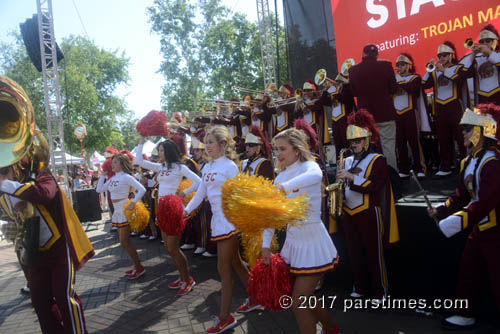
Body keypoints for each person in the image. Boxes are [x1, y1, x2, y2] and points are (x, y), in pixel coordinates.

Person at [0, 75, 94, 334]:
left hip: (58, 248)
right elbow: (11, 224)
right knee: (40, 303)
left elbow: (45, 194)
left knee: (65, 298)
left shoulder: (41, 176)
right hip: (34, 255)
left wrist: (11, 187)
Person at [428, 104, 500, 330]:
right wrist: (440, 210)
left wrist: (454, 221)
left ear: (481, 131)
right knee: (467, 271)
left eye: (468, 129)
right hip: (480, 228)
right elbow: (461, 196)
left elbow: (485, 202)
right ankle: (465, 313)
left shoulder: (494, 162)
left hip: (496, 230)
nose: (463, 133)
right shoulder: (467, 162)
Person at [262, 128, 339, 334]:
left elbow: (315, 176)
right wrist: (264, 245)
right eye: (276, 149)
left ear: (296, 149)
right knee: (305, 298)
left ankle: (331, 328)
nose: (278, 154)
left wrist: (284, 188)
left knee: (299, 301)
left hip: (313, 242)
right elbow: (272, 215)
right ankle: (331, 328)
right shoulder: (280, 178)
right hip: (293, 244)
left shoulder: (309, 167)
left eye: (283, 148)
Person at [184, 125, 260, 333]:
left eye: (210, 142)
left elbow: (238, 196)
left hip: (229, 222)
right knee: (236, 263)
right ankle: (255, 297)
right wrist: (186, 210)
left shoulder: (229, 167)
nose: (206, 146)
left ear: (222, 144)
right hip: (216, 221)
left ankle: (225, 317)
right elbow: (200, 193)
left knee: (223, 270)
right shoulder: (206, 168)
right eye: (205, 142)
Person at [337, 109, 399, 301]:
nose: (354, 144)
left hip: (369, 212)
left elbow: (374, 186)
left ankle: (381, 291)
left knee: (374, 254)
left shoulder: (378, 160)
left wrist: (351, 177)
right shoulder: (345, 160)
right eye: (352, 141)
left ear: (367, 140)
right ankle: (360, 287)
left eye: (357, 141)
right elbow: (343, 185)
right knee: (354, 254)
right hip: (348, 212)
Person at [135, 137, 200, 295]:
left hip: (174, 208)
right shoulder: (160, 166)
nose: (159, 153)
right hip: (162, 209)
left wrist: (183, 193)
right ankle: (182, 276)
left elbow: (198, 181)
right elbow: (138, 160)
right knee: (168, 248)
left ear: (169, 151)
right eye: (159, 150)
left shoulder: (179, 167)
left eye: (162, 150)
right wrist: (141, 142)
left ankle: (188, 279)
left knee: (173, 247)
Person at [349, 43, 399, 170]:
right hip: (385, 114)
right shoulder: (386, 65)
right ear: (377, 54)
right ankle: (392, 179)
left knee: (366, 149)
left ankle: (369, 178)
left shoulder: (353, 70)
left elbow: (354, 92)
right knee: (388, 148)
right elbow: (394, 88)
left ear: (363, 55)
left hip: (365, 118)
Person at [422, 41, 469, 177]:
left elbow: (460, 80)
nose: (441, 58)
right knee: (443, 138)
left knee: (461, 137)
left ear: (451, 55)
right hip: (440, 108)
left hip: (455, 106)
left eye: (444, 55)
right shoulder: (435, 72)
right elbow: (424, 85)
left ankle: (466, 163)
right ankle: (446, 166)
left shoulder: (458, 67)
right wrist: (429, 70)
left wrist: (444, 71)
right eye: (440, 56)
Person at [96, 153, 146, 279]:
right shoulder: (112, 178)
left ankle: (139, 267)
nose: (112, 165)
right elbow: (99, 189)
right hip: (117, 212)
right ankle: (137, 266)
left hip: (124, 210)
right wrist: (102, 176)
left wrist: (133, 203)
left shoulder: (126, 177)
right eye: (112, 162)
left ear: (122, 164)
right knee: (124, 242)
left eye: (115, 162)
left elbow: (142, 189)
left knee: (124, 241)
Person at [393, 53, 429, 178]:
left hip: (410, 113)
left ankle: (420, 168)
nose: (399, 67)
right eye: (398, 65)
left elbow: (412, 89)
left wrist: (396, 83)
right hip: (397, 114)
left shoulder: (414, 78)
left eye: (402, 64)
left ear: (409, 66)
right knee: (400, 143)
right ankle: (403, 169)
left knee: (414, 142)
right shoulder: (395, 80)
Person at [190, 137, 217, 257]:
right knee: (199, 222)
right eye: (194, 150)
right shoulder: (200, 165)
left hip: (210, 199)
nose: (194, 153)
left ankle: (209, 247)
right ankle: (201, 244)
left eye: (197, 150)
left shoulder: (209, 164)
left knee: (207, 223)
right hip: (199, 196)